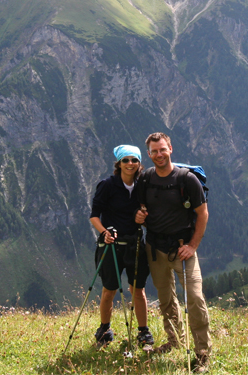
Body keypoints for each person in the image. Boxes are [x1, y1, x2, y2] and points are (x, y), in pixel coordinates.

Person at [135, 132, 211, 372]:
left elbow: (202, 214)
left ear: (170, 149)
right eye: (154, 151)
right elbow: (141, 209)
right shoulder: (146, 179)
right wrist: (140, 217)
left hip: (183, 249)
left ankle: (202, 352)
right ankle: (174, 340)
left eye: (162, 149)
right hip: (155, 249)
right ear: (149, 155)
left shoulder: (187, 180)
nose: (159, 155)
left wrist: (193, 246)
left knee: (195, 299)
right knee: (166, 299)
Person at [89, 144, 154, 350]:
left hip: (134, 244)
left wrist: (143, 217)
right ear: (118, 163)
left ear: (139, 163)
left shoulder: (143, 185)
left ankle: (143, 332)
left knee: (138, 290)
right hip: (111, 245)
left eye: (134, 160)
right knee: (109, 289)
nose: (130, 164)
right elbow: (94, 216)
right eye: (125, 160)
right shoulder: (107, 185)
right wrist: (104, 233)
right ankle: (105, 329)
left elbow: (150, 211)